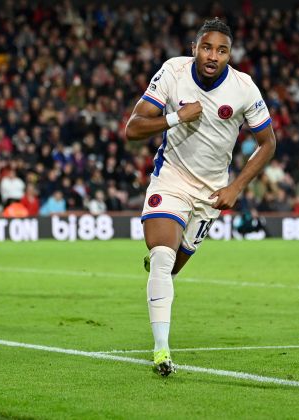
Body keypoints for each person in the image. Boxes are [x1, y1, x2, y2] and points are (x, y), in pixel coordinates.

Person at [125, 18, 275, 376]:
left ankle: (159, 267)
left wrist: (237, 186)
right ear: (194, 48)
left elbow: (268, 143)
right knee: (163, 257)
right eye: (207, 47)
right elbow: (133, 128)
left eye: (222, 50)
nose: (213, 55)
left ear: (229, 55)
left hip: (211, 194)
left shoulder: (243, 87)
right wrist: (176, 117)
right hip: (171, 180)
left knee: (171, 268)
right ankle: (162, 352)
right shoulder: (173, 72)